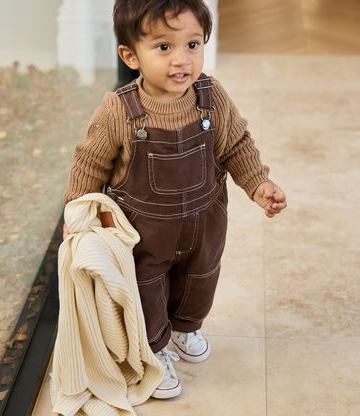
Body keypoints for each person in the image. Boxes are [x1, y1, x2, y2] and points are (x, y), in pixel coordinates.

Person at [63, 0, 287, 400]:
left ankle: (185, 329)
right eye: (164, 47)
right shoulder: (119, 111)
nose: (181, 59)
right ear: (130, 55)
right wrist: (78, 215)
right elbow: (90, 164)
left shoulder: (211, 96)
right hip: (144, 231)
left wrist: (257, 184)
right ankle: (155, 349)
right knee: (147, 287)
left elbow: (236, 144)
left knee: (200, 278)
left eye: (192, 44)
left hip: (205, 222)